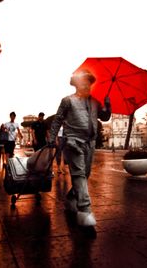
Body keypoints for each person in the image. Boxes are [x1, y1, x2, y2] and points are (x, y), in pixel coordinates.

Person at [48, 69, 111, 229]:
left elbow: (104, 117)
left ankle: (71, 199)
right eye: (84, 82)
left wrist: (108, 105)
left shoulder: (95, 102)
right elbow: (57, 121)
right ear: (76, 84)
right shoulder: (67, 101)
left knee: (85, 174)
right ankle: (85, 213)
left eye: (89, 83)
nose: (87, 86)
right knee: (79, 175)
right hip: (73, 141)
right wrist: (51, 138)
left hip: (90, 143)